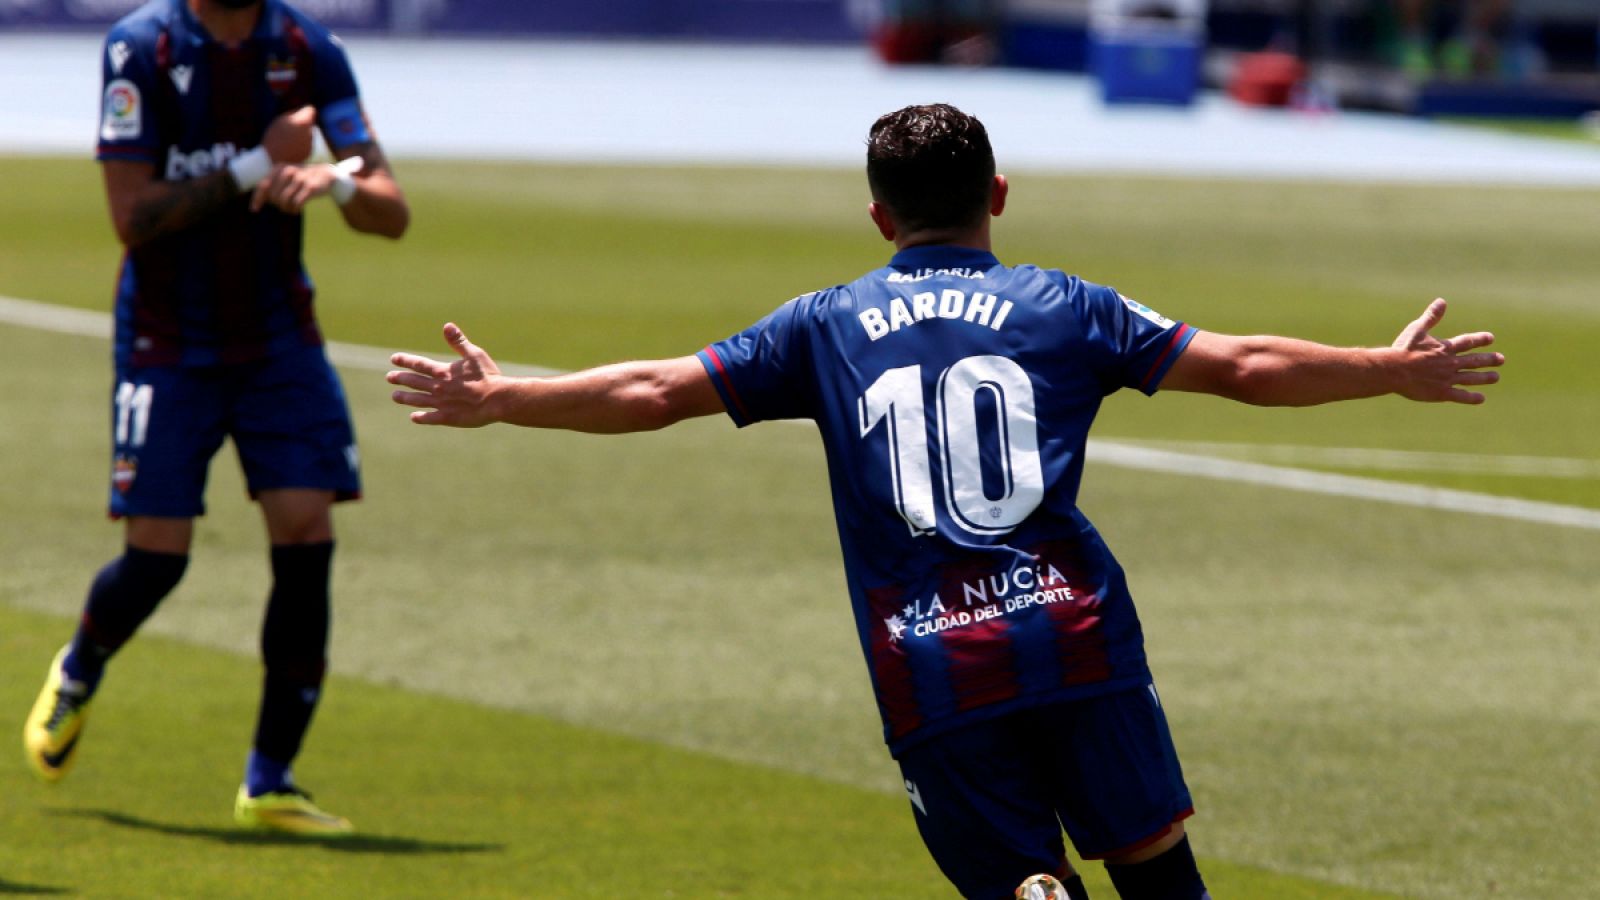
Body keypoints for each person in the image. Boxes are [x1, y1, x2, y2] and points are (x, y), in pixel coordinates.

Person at [384, 104, 1501, 897]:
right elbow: (1246, 363)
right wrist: (1381, 367)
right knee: (1156, 868)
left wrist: (505, 399)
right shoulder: (1067, 304)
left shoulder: (818, 324)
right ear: (999, 196)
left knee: (1024, 879)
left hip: (931, 658)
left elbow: (650, 391)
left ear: (878, 218)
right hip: (1075, 635)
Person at [22, 0, 408, 837]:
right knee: (159, 556)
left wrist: (333, 181)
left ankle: (271, 780)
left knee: (306, 531)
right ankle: (82, 665)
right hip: (167, 341)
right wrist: (251, 168)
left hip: (277, 340)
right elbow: (131, 218)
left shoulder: (309, 49)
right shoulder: (142, 50)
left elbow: (391, 210)